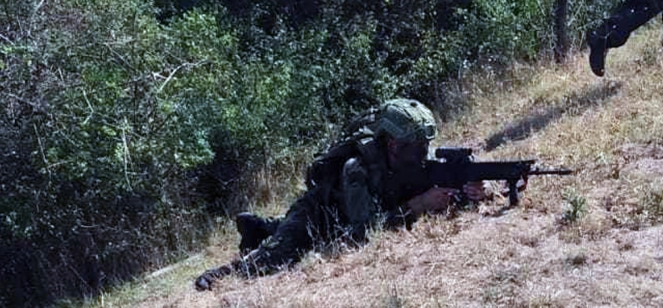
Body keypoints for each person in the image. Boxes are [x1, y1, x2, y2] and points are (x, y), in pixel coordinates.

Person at [194, 98, 489, 291]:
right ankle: (227, 267)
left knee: (286, 233)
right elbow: (363, 232)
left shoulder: (417, 160)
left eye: (424, 145)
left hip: (349, 213)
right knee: (278, 255)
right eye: (414, 146)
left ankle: (264, 226)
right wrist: (416, 206)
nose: (422, 153)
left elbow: (447, 190)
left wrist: (474, 192)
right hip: (319, 215)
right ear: (391, 144)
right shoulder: (357, 168)